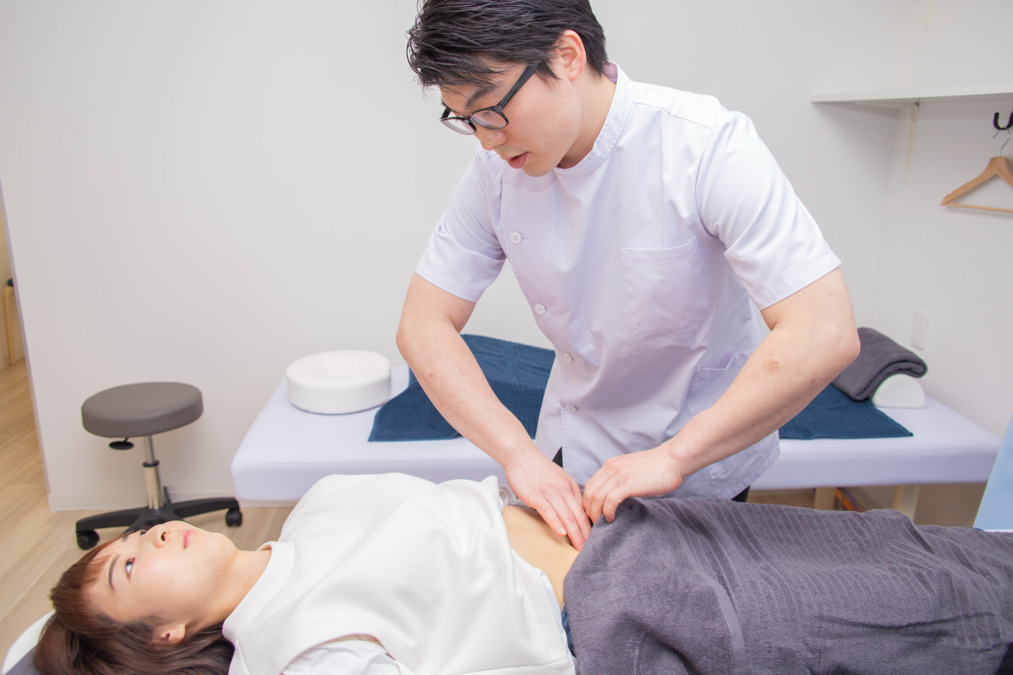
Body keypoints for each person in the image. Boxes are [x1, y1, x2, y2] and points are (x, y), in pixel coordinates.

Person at [396, 0, 860, 551]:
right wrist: (519, 455)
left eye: (491, 110)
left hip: (699, 463)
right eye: (465, 120)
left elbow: (824, 330)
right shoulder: (494, 175)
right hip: (572, 450)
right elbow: (423, 326)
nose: (486, 139)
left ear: (567, 56)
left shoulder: (705, 145)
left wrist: (675, 457)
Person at [34, 473, 1013, 674]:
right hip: (639, 602)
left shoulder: (323, 503)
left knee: (915, 546)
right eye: (126, 568)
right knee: (938, 607)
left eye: (134, 536)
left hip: (650, 524)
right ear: (158, 638)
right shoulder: (293, 652)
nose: (150, 538)